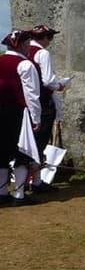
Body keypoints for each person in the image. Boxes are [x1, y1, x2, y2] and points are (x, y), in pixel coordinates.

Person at [0, 30, 41, 206]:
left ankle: (1, 192)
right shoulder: (25, 65)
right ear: (23, 45)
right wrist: (36, 118)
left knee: (1, 151)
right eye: (27, 44)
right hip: (17, 111)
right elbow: (32, 95)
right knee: (22, 151)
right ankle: (18, 195)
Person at [28, 24, 67, 192]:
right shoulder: (42, 53)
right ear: (43, 38)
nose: (50, 41)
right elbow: (48, 81)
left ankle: (27, 179)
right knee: (40, 142)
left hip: (27, 103)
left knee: (28, 142)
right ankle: (35, 181)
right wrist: (59, 85)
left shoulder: (26, 51)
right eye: (49, 37)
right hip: (42, 102)